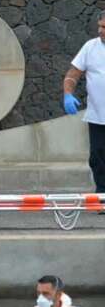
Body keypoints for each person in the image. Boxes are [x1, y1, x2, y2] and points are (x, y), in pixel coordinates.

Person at [62, 10, 105, 195]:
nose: (101, 31)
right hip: (97, 116)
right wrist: (67, 94)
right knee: (97, 158)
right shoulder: (90, 47)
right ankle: (103, 195)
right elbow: (73, 74)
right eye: (100, 26)